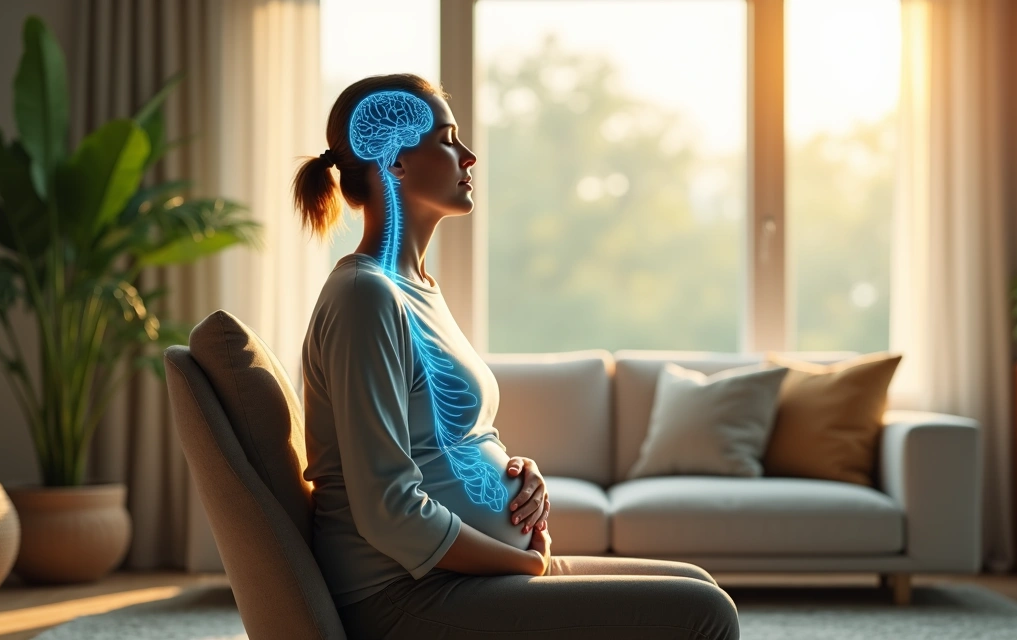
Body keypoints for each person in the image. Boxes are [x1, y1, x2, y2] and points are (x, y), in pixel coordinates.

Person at [293, 73, 740, 640]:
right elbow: (386, 508)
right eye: (448, 139)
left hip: (461, 577)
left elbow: (442, 439)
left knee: (698, 584)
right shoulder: (366, 296)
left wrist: (512, 472)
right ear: (396, 164)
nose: (469, 155)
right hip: (404, 595)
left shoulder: (415, 285)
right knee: (703, 615)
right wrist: (522, 560)